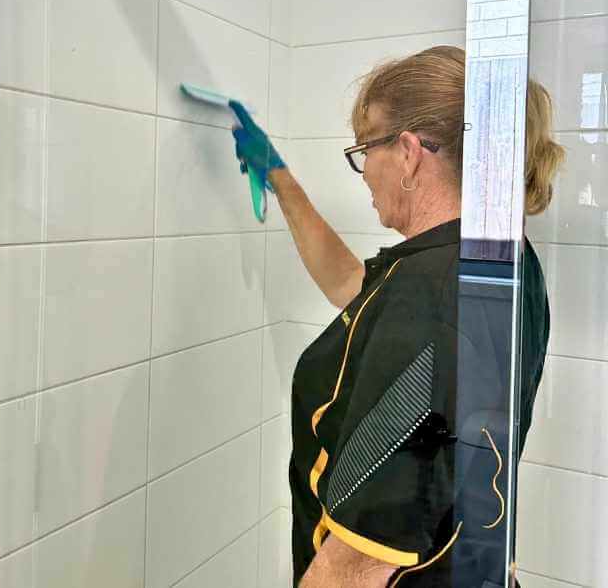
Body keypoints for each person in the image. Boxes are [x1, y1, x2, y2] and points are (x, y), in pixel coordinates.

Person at [229, 46, 565, 587]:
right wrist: (282, 181)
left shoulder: (428, 298)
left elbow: (359, 562)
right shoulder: (492, 260)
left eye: (365, 149)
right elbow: (354, 291)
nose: (363, 173)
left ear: (408, 153)